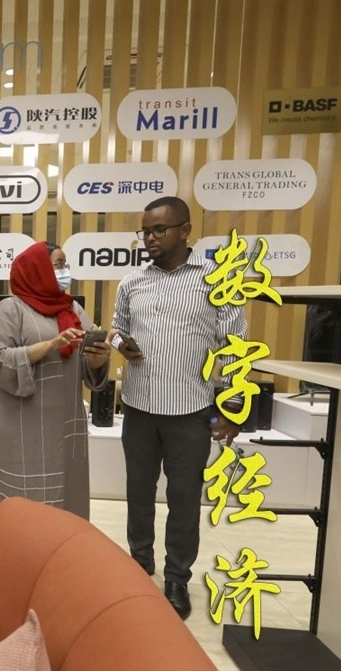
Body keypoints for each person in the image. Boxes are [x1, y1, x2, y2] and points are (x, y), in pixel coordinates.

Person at [111, 195, 246, 620]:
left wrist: (232, 408)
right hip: (138, 409)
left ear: (186, 230)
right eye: (145, 231)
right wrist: (120, 345)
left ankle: (176, 578)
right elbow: (117, 328)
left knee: (184, 500)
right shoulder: (132, 282)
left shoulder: (216, 282)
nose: (150, 238)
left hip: (191, 411)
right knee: (138, 494)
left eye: (159, 229)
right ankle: (139, 565)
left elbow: (234, 347)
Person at [0, 241, 113, 566]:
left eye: (65, 265)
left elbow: (87, 364)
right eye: (57, 265)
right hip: (17, 423)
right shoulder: (10, 310)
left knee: (65, 496)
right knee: (18, 501)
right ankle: (12, 566)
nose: (64, 272)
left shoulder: (73, 310)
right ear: (37, 270)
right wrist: (50, 345)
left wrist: (98, 357)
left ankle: (60, 563)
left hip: (63, 424)